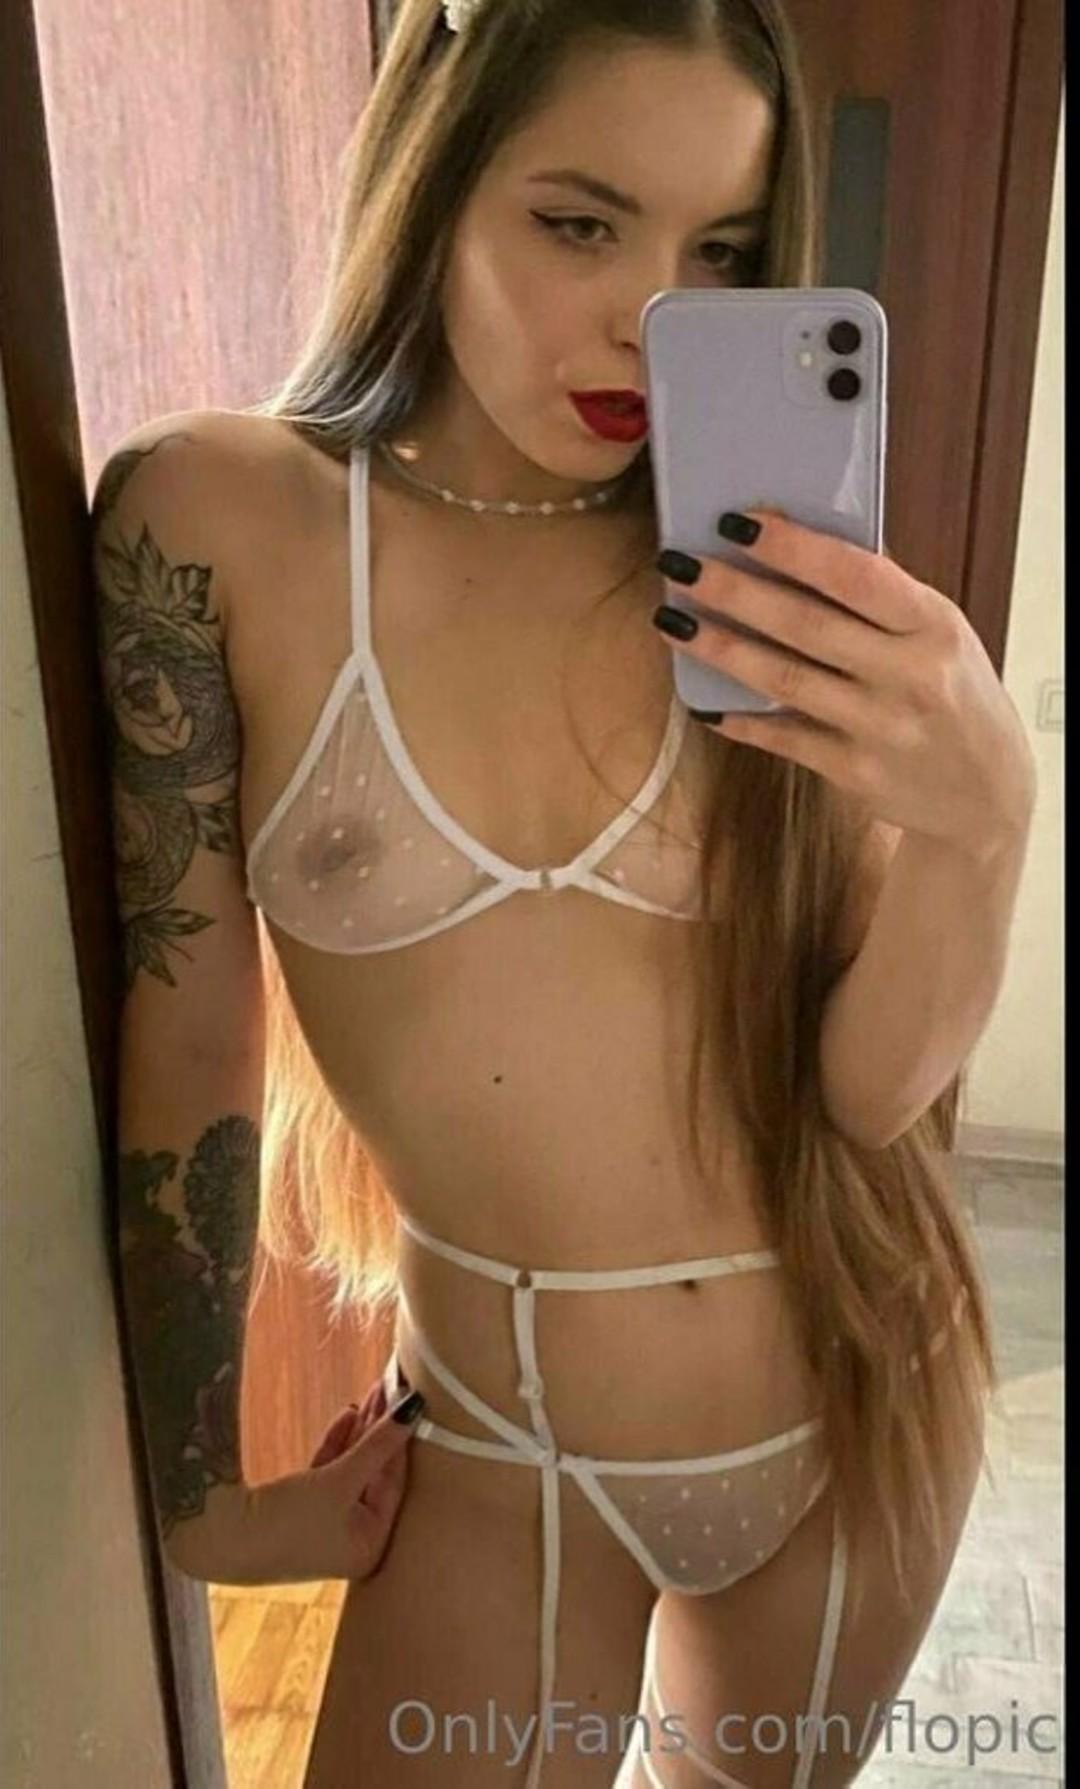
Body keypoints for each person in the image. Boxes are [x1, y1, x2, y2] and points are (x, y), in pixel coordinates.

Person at [91, 1, 1037, 1784]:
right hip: (499, 1451)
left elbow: (863, 1092)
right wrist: (196, 1481)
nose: (645, 315)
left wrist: (986, 827)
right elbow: (190, 1026)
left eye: (721, 252)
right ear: (433, 182)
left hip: (853, 1396)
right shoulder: (216, 523)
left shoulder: (759, 572)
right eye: (580, 223)